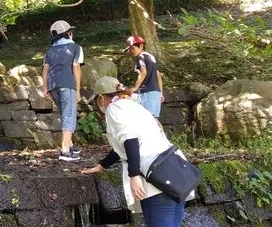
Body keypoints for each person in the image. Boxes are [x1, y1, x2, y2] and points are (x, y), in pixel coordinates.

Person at [81, 76, 193, 227]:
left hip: (156, 176)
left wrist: (134, 175)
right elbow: (124, 147)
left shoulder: (114, 110)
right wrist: (101, 165)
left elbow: (131, 140)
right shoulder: (133, 105)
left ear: (101, 98)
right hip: (175, 169)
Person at [42, 20, 84, 161]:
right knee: (69, 115)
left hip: (53, 85)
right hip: (68, 84)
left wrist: (45, 88)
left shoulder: (50, 50)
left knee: (64, 113)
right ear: (68, 33)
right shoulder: (76, 48)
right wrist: (78, 90)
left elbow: (45, 69)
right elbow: (76, 67)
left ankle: (70, 145)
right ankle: (65, 151)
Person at [124, 35, 164, 118]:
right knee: (154, 120)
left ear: (141, 46)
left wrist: (135, 87)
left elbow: (143, 71)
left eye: (132, 48)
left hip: (147, 93)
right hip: (156, 94)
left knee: (146, 119)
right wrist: (160, 92)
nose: (131, 51)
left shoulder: (140, 57)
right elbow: (158, 75)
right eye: (129, 49)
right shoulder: (151, 57)